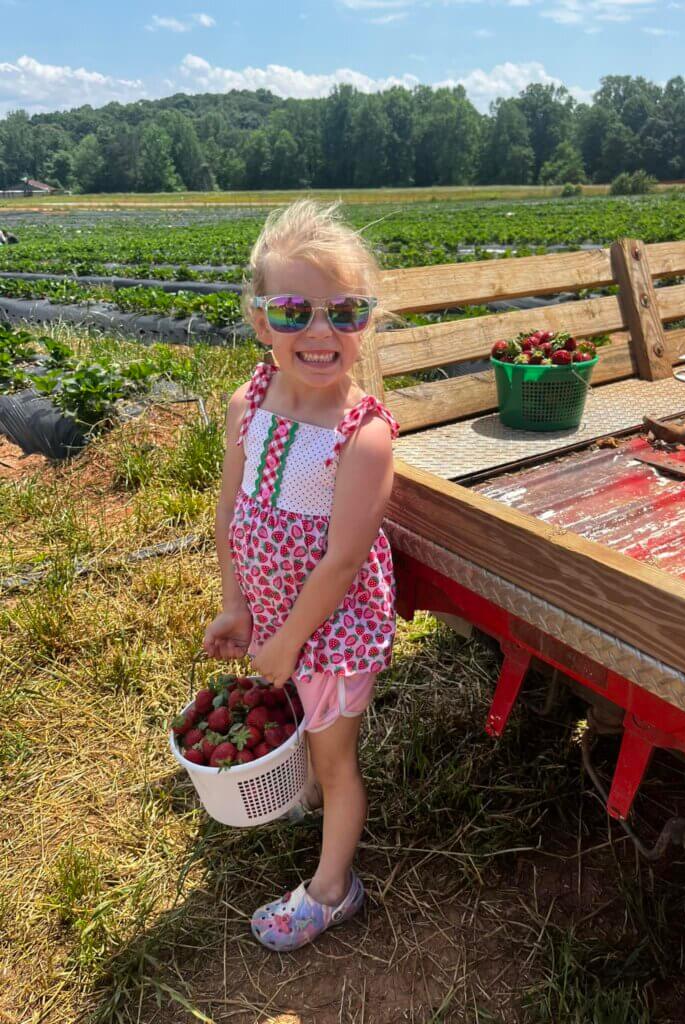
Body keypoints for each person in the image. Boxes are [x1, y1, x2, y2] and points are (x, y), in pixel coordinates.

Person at [203, 199, 398, 951]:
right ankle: (307, 790)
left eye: (344, 312)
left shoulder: (364, 434)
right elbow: (229, 515)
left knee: (336, 753)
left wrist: (288, 641)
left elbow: (343, 559)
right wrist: (236, 605)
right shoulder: (246, 403)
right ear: (260, 323)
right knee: (302, 718)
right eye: (293, 311)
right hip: (275, 616)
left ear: (367, 323)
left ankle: (331, 889)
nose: (320, 333)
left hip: (334, 625)